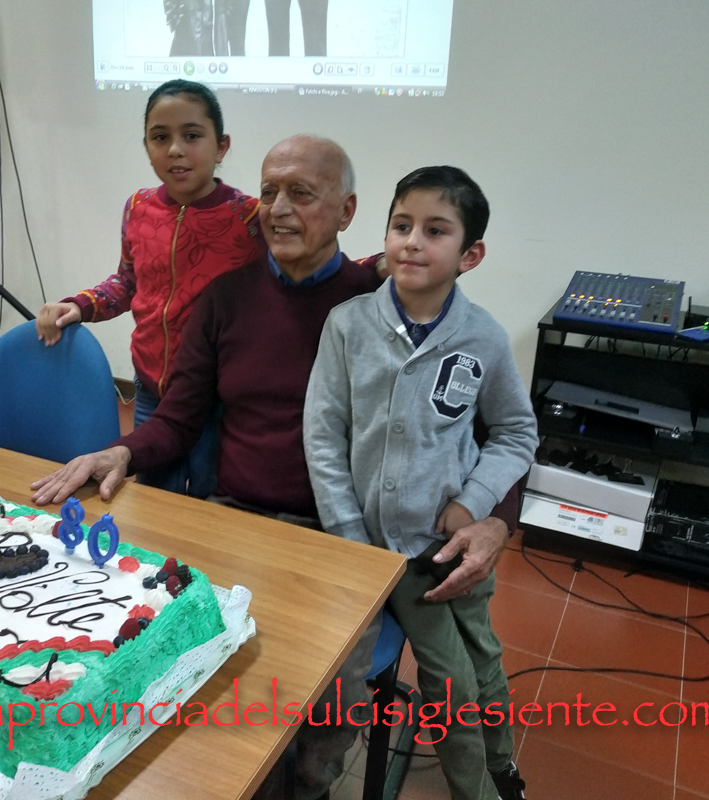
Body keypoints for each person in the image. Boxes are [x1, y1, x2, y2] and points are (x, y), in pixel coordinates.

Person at [31, 136, 521, 800]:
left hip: (342, 536)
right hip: (235, 520)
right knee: (177, 660)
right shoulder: (226, 298)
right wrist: (122, 450)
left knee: (330, 697)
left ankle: (306, 789)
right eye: (267, 192)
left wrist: (495, 522)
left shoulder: (381, 304)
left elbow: (493, 431)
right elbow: (178, 417)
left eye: (301, 193)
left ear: (347, 211)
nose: (278, 209)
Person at [302, 166, 538, 800]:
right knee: (451, 682)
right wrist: (351, 539)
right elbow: (322, 437)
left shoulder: (483, 337)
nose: (411, 241)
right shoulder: (348, 325)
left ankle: (504, 771)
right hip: (390, 553)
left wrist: (473, 502)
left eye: (435, 231)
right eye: (401, 225)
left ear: (470, 255)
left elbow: (517, 432)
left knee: (485, 659)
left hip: (451, 542)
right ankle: (476, 790)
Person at [35, 79, 265, 499]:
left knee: (211, 498)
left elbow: (304, 262)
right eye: (160, 137)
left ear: (221, 146)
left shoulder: (249, 217)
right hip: (150, 388)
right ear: (146, 146)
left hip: (215, 397)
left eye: (191, 136)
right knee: (154, 493)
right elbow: (127, 281)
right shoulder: (139, 207)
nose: (175, 149)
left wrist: (378, 266)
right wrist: (81, 305)